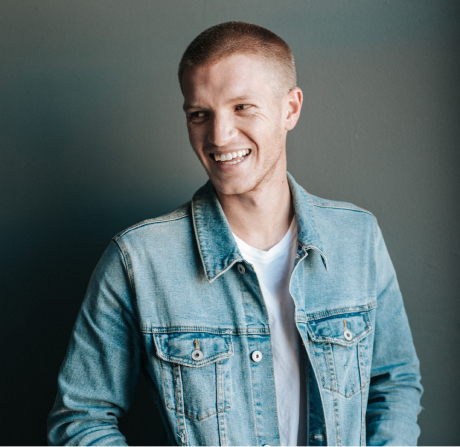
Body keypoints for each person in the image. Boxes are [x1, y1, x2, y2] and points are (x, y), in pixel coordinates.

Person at [48, 21, 423, 446]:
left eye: (242, 107)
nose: (219, 136)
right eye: (199, 114)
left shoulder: (358, 237)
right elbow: (81, 419)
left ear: (290, 109)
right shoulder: (138, 260)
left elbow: (394, 384)